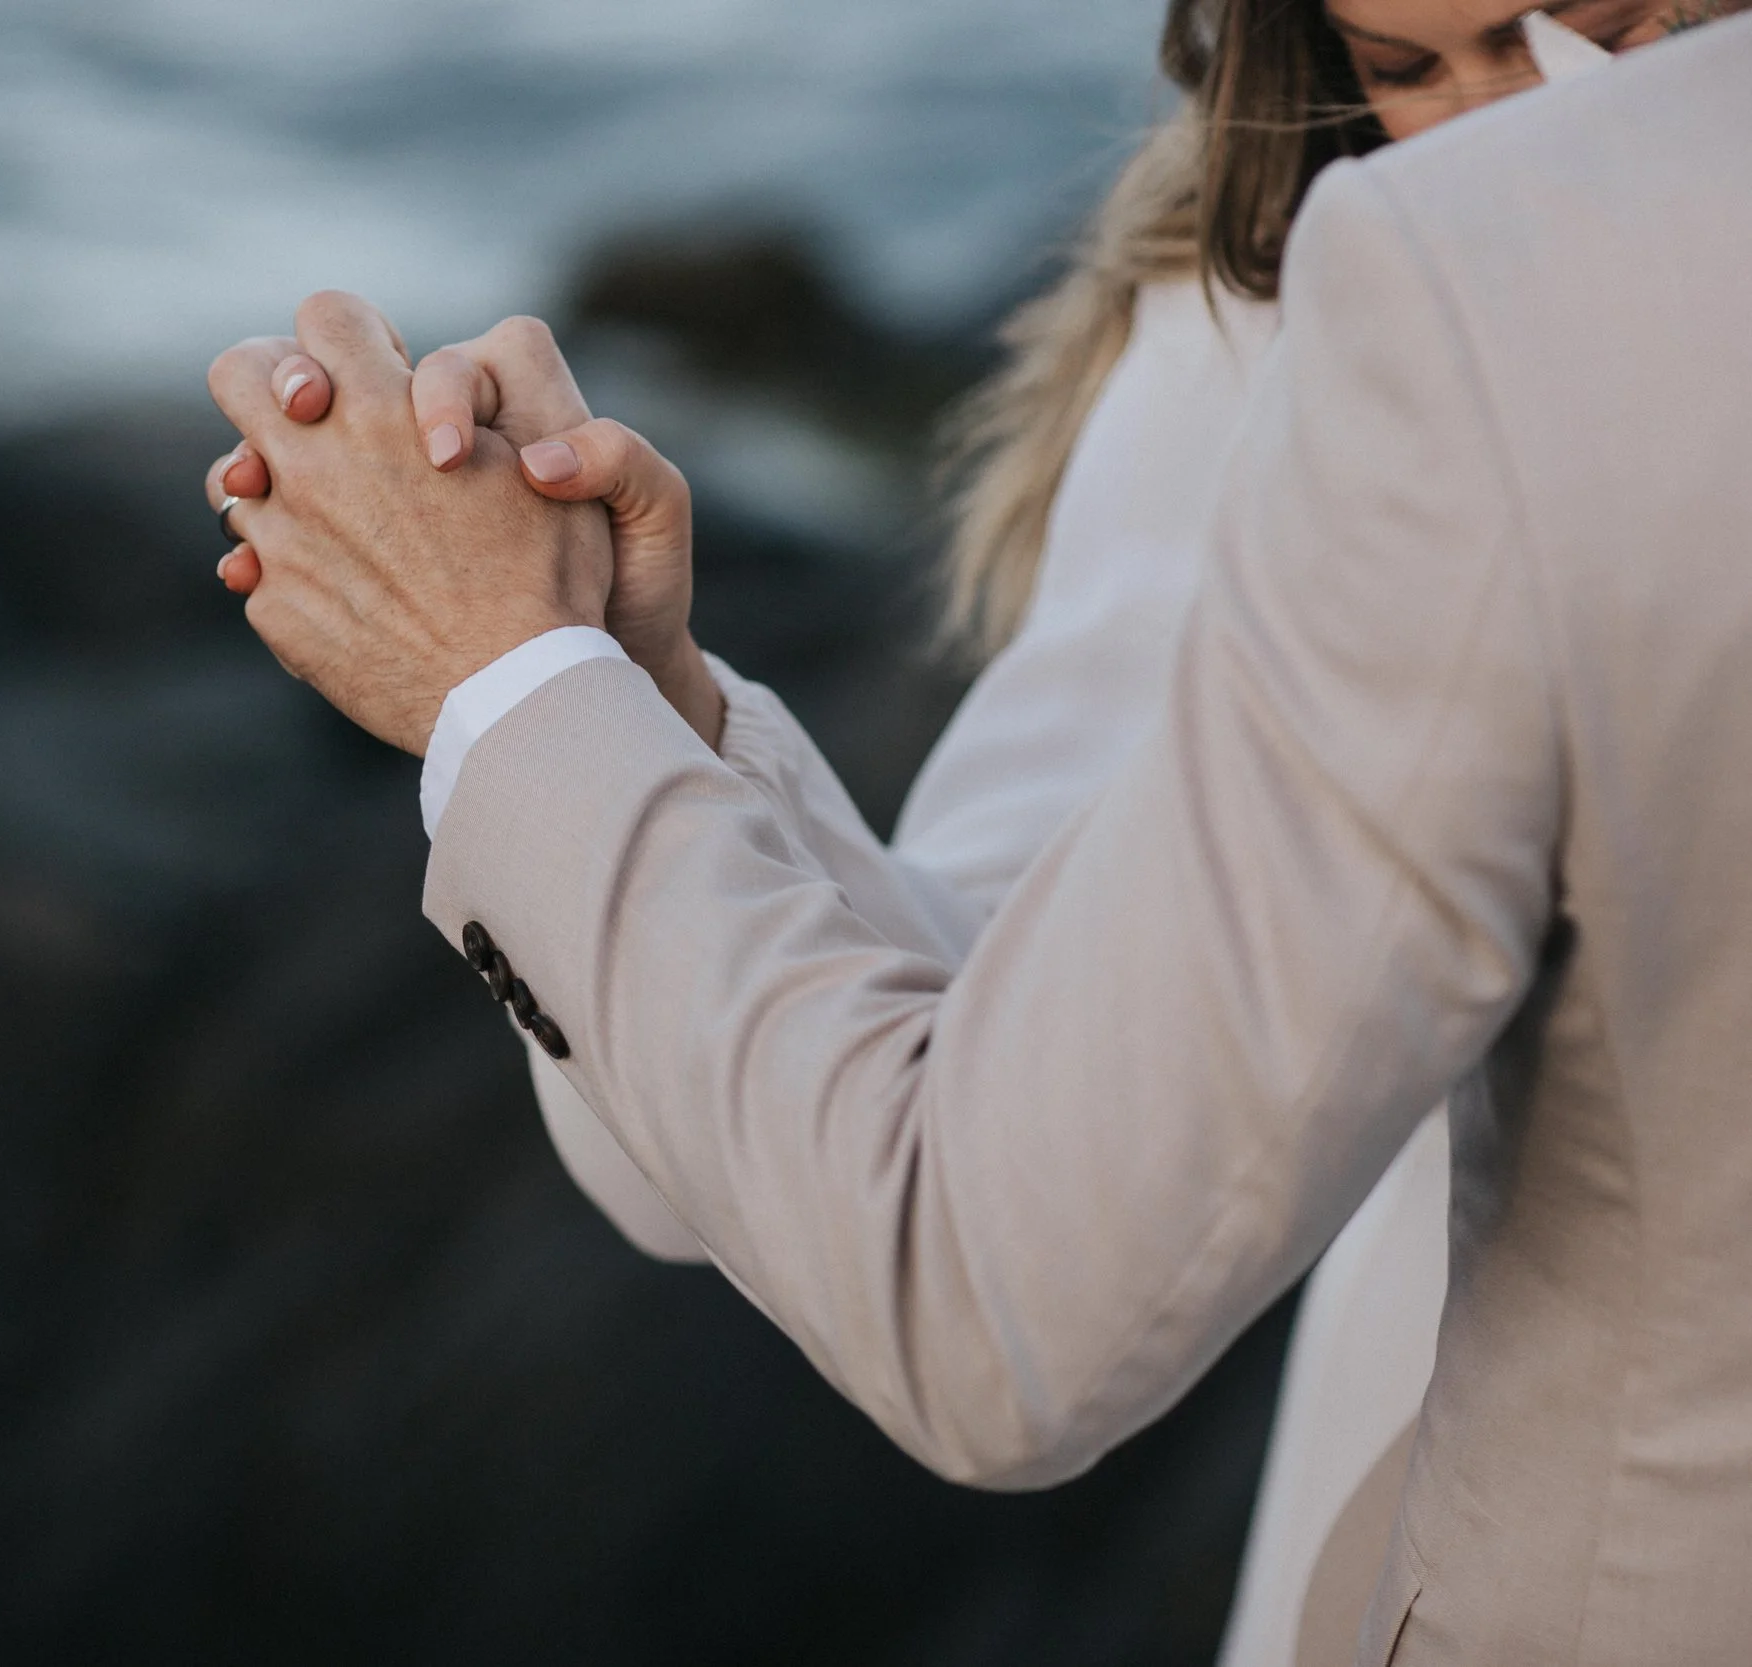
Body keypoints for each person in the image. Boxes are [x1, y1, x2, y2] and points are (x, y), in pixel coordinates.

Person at [205, 7, 1752, 1657]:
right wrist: (619, 702)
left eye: (1603, 34)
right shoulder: (1298, 307)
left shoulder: (1487, 298)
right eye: (1403, 65)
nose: (1508, 128)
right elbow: (994, 1013)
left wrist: (500, 681)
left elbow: (989, 1295)